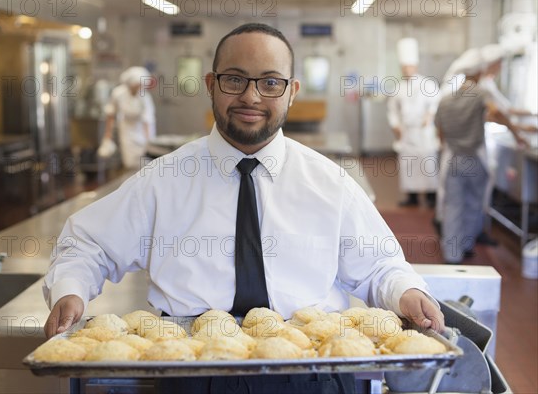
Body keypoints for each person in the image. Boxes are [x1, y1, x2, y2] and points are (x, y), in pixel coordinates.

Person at [44, 23, 444, 393]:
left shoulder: (329, 183)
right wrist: (71, 290)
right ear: (210, 85)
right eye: (235, 79)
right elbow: (87, 244)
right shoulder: (163, 180)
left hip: (313, 370)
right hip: (195, 371)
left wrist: (406, 292)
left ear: (292, 91)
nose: (251, 96)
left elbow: (380, 266)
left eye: (271, 82)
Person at [434, 48, 526, 264]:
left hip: (453, 158)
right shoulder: (480, 93)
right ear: (478, 73)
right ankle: (466, 245)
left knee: (453, 205)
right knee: (474, 203)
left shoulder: (446, 99)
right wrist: (516, 134)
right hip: (474, 159)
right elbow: (498, 112)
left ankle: (452, 254)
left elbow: (439, 133)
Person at [387, 38, 440, 207]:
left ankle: (432, 196)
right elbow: (392, 110)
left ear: (416, 66)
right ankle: (412, 196)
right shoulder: (398, 88)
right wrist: (395, 125)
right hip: (407, 132)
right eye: (404, 67)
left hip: (424, 132)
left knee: (428, 163)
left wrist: (430, 115)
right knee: (409, 165)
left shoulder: (428, 84)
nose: (407, 70)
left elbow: (436, 103)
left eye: (409, 66)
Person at [97, 66, 156, 169]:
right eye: (137, 84)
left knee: (145, 164)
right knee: (129, 162)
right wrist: (107, 136)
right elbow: (111, 114)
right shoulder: (118, 93)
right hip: (126, 130)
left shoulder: (145, 97)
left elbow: (147, 120)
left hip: (142, 130)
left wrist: (149, 142)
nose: (139, 87)